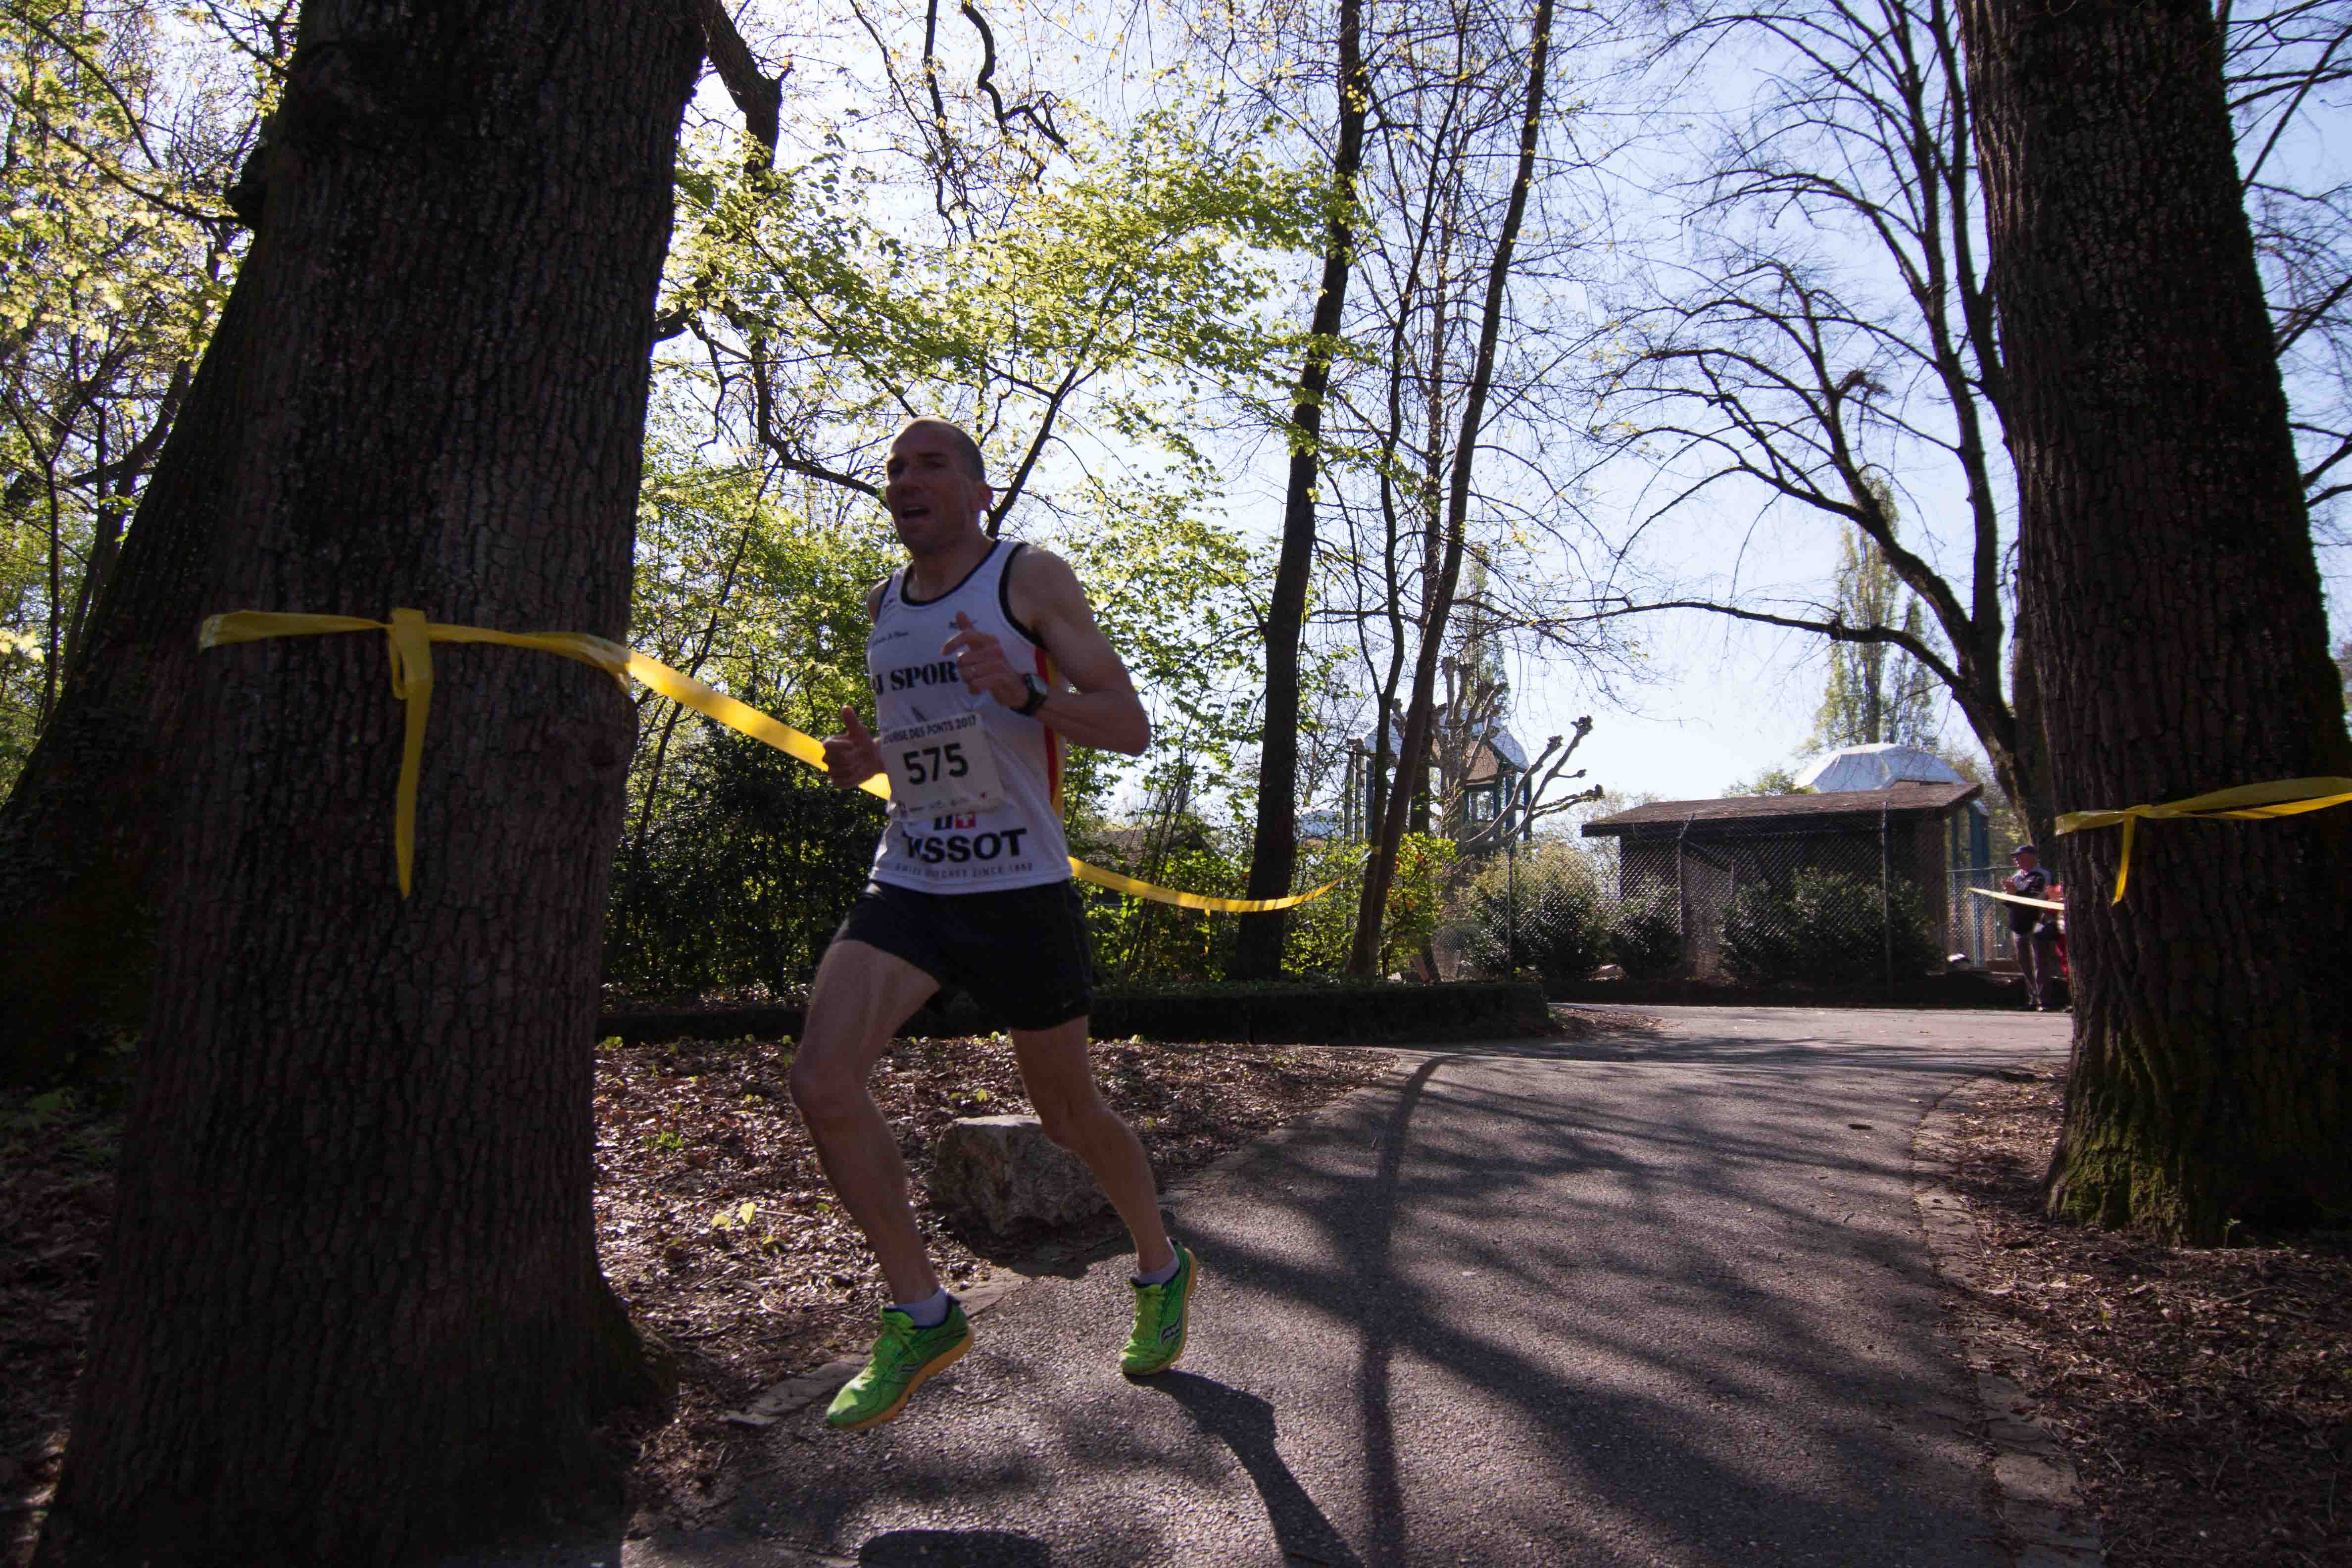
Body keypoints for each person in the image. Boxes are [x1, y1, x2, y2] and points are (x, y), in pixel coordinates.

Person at [794, 417, 1196, 1433]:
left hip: (1020, 887)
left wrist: (1025, 689)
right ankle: (922, 1312)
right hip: (913, 875)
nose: (906, 479)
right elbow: (928, 745)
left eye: (931, 464)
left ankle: (1160, 1266)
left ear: (980, 491)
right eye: (895, 468)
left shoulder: (1028, 578)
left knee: (1068, 1116)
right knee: (823, 1080)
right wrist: (869, 764)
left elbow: (1128, 724)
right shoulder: (884, 604)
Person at [2004, 844, 2063, 1011]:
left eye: (2020, 856)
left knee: (2040, 963)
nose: (2016, 859)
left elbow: (2036, 898)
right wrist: (2009, 893)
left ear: (2032, 857)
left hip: (2037, 923)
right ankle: (2033, 999)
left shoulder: (2042, 875)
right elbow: (2010, 901)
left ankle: (2045, 1001)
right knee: (2024, 963)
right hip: (2019, 925)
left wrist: (2015, 892)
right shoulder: (2016, 877)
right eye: (2015, 857)